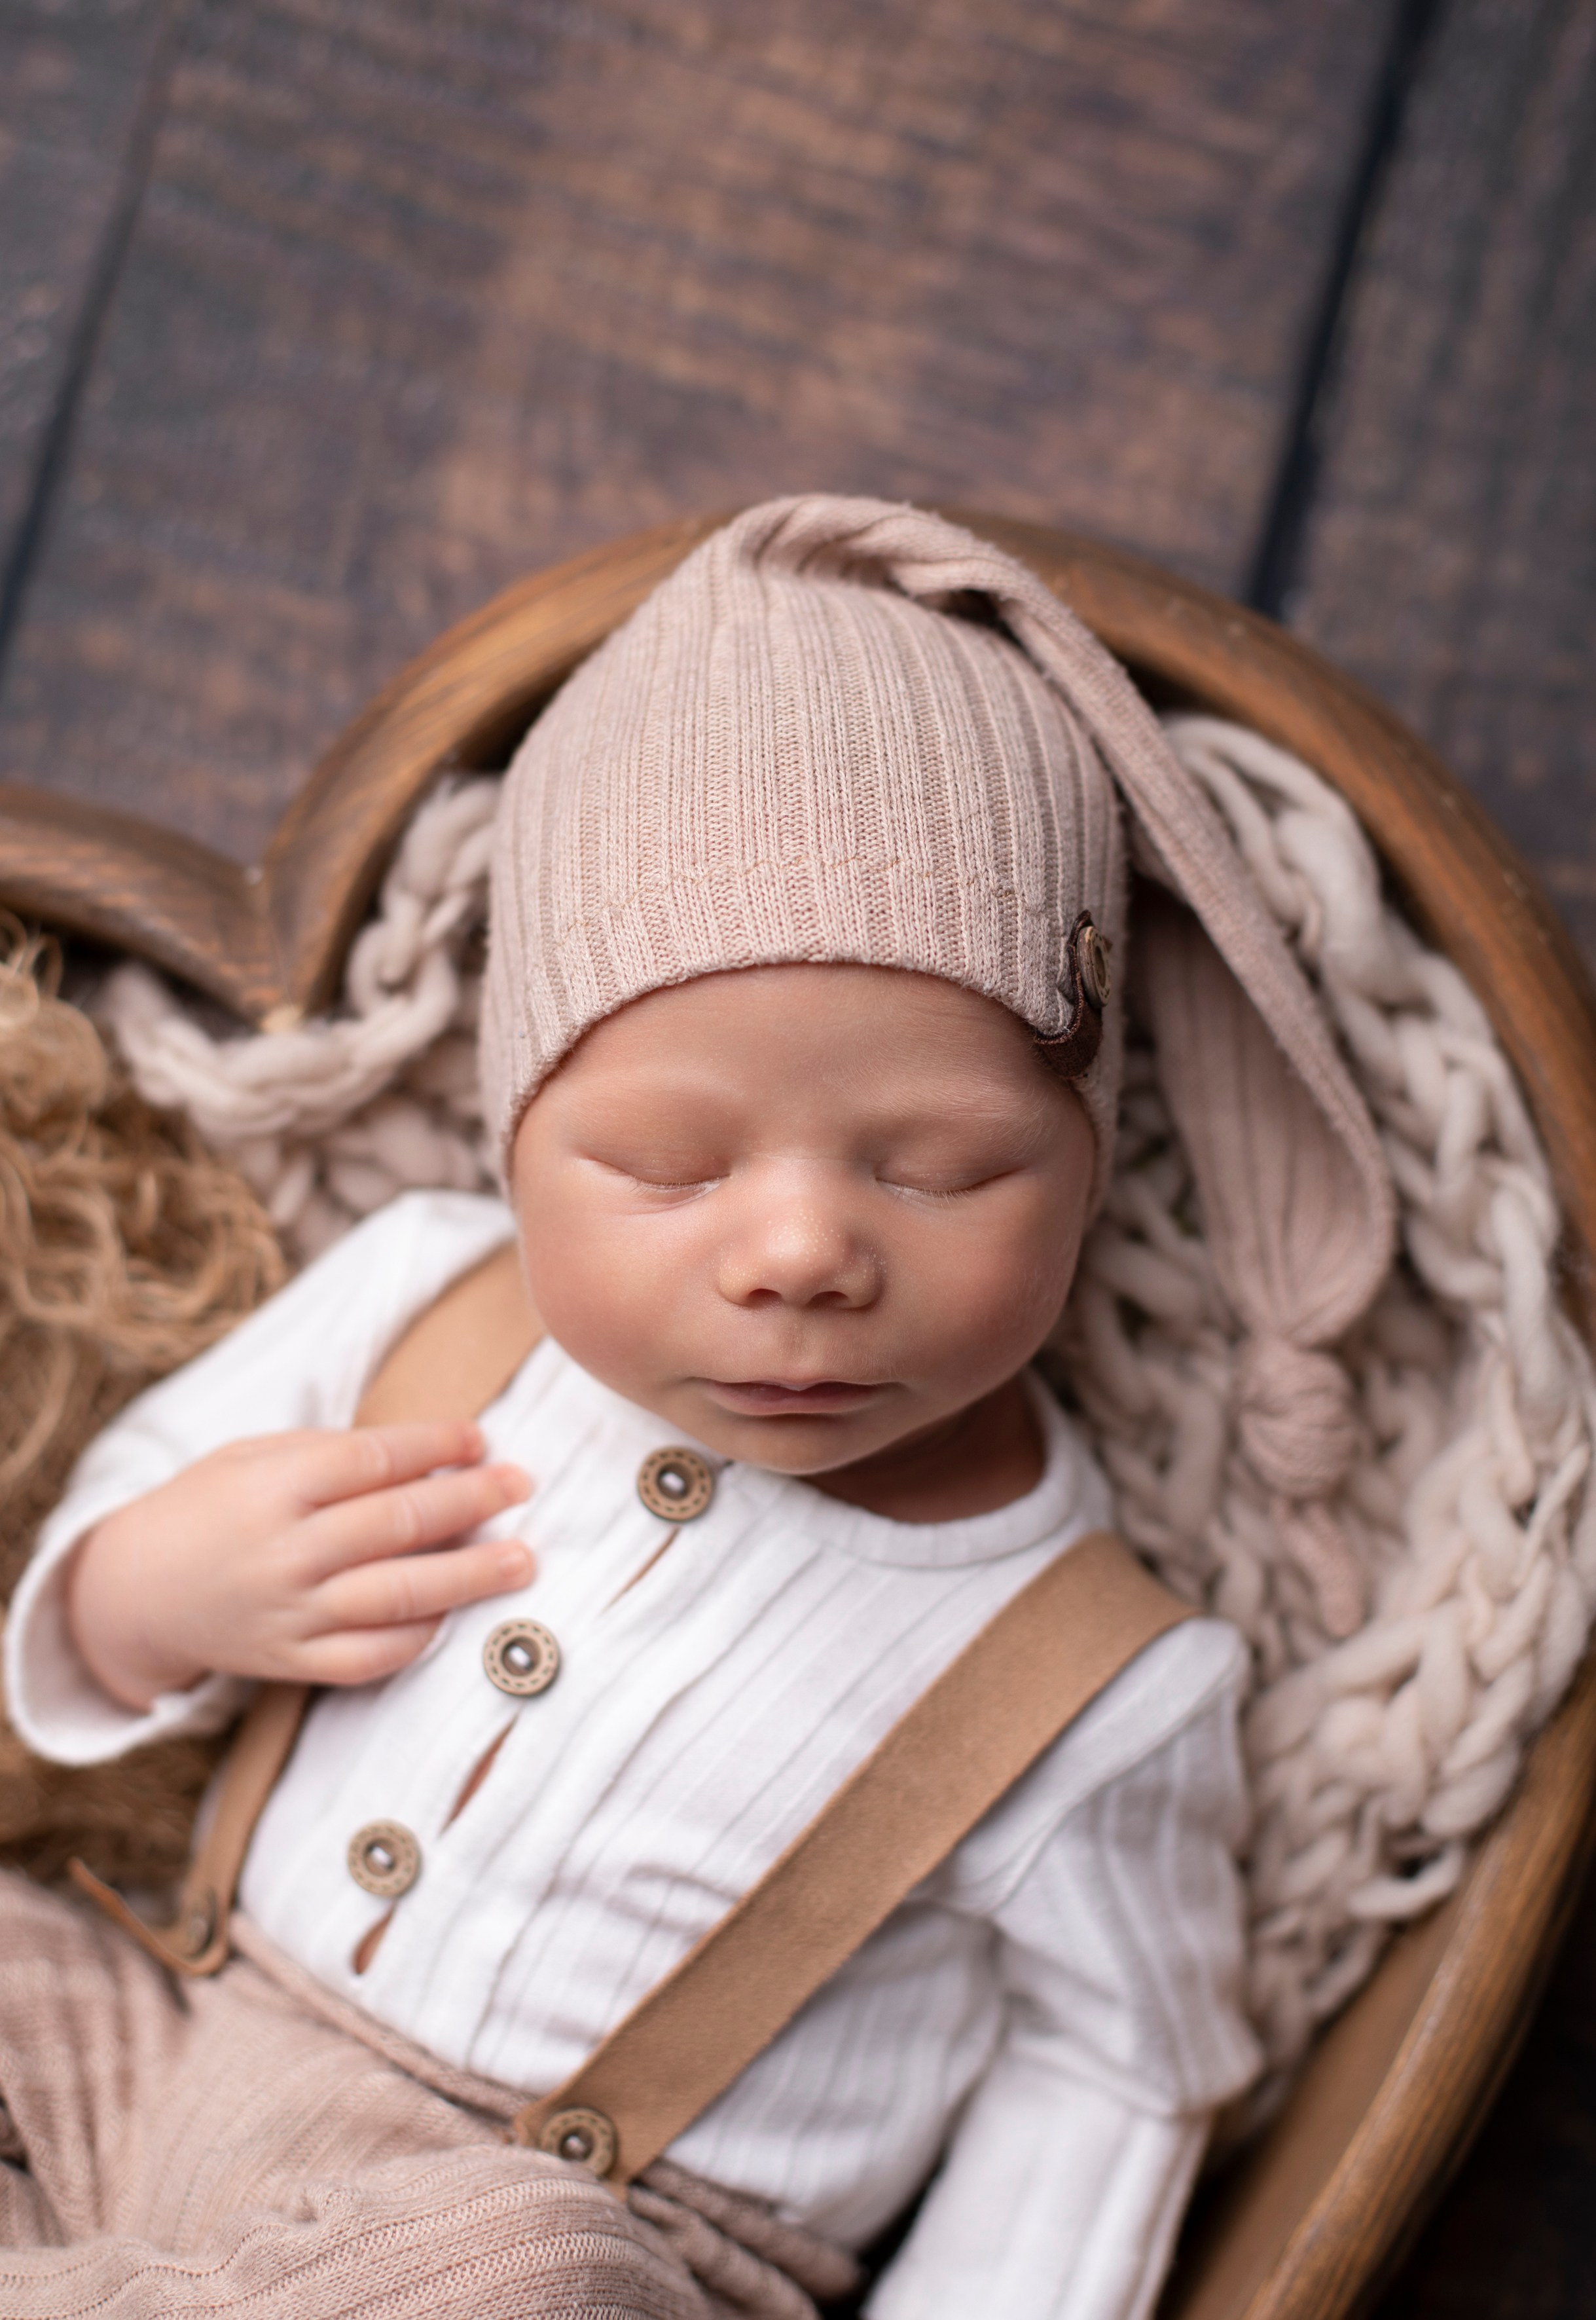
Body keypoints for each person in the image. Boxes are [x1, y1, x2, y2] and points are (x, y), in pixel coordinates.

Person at [0, 497, 1398, 2319]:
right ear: (517, 1135)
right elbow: (144, 1498)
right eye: (665, 1165)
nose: (802, 1250)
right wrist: (136, 1597)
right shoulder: (424, 1290)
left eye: (944, 1167)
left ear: (1089, 1159)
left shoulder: (1092, 1684)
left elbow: (1118, 2068)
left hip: (579, 2238)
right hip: (180, 2032)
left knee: (511, 2270)